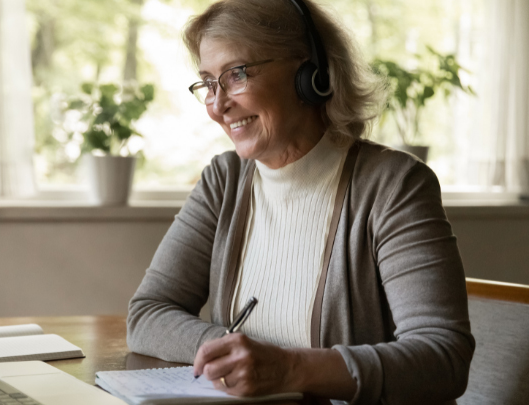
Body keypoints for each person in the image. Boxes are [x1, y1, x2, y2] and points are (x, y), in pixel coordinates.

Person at [126, 0, 475, 403]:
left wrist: (290, 368)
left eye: (236, 74)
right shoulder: (224, 181)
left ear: (311, 73)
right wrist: (233, 353)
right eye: (208, 82)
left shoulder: (394, 185)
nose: (218, 105)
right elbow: (148, 312)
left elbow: (443, 358)